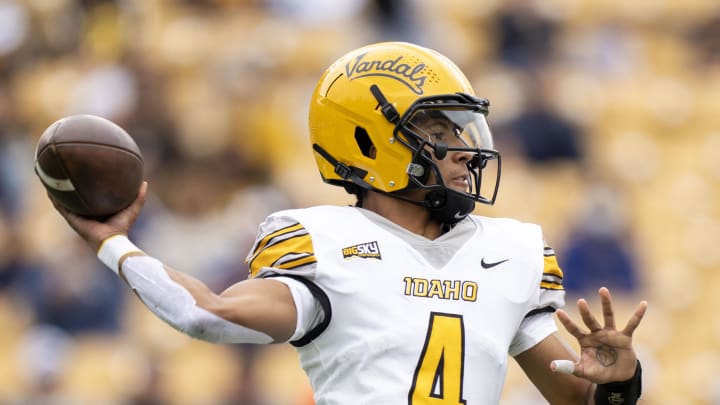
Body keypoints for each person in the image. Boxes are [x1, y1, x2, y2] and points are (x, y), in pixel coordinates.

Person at [51, 42, 648, 404]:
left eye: (463, 133)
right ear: (370, 141)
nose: (466, 152)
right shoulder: (324, 242)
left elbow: (584, 401)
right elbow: (206, 314)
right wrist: (113, 243)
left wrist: (619, 383)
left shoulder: (510, 251)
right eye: (440, 134)